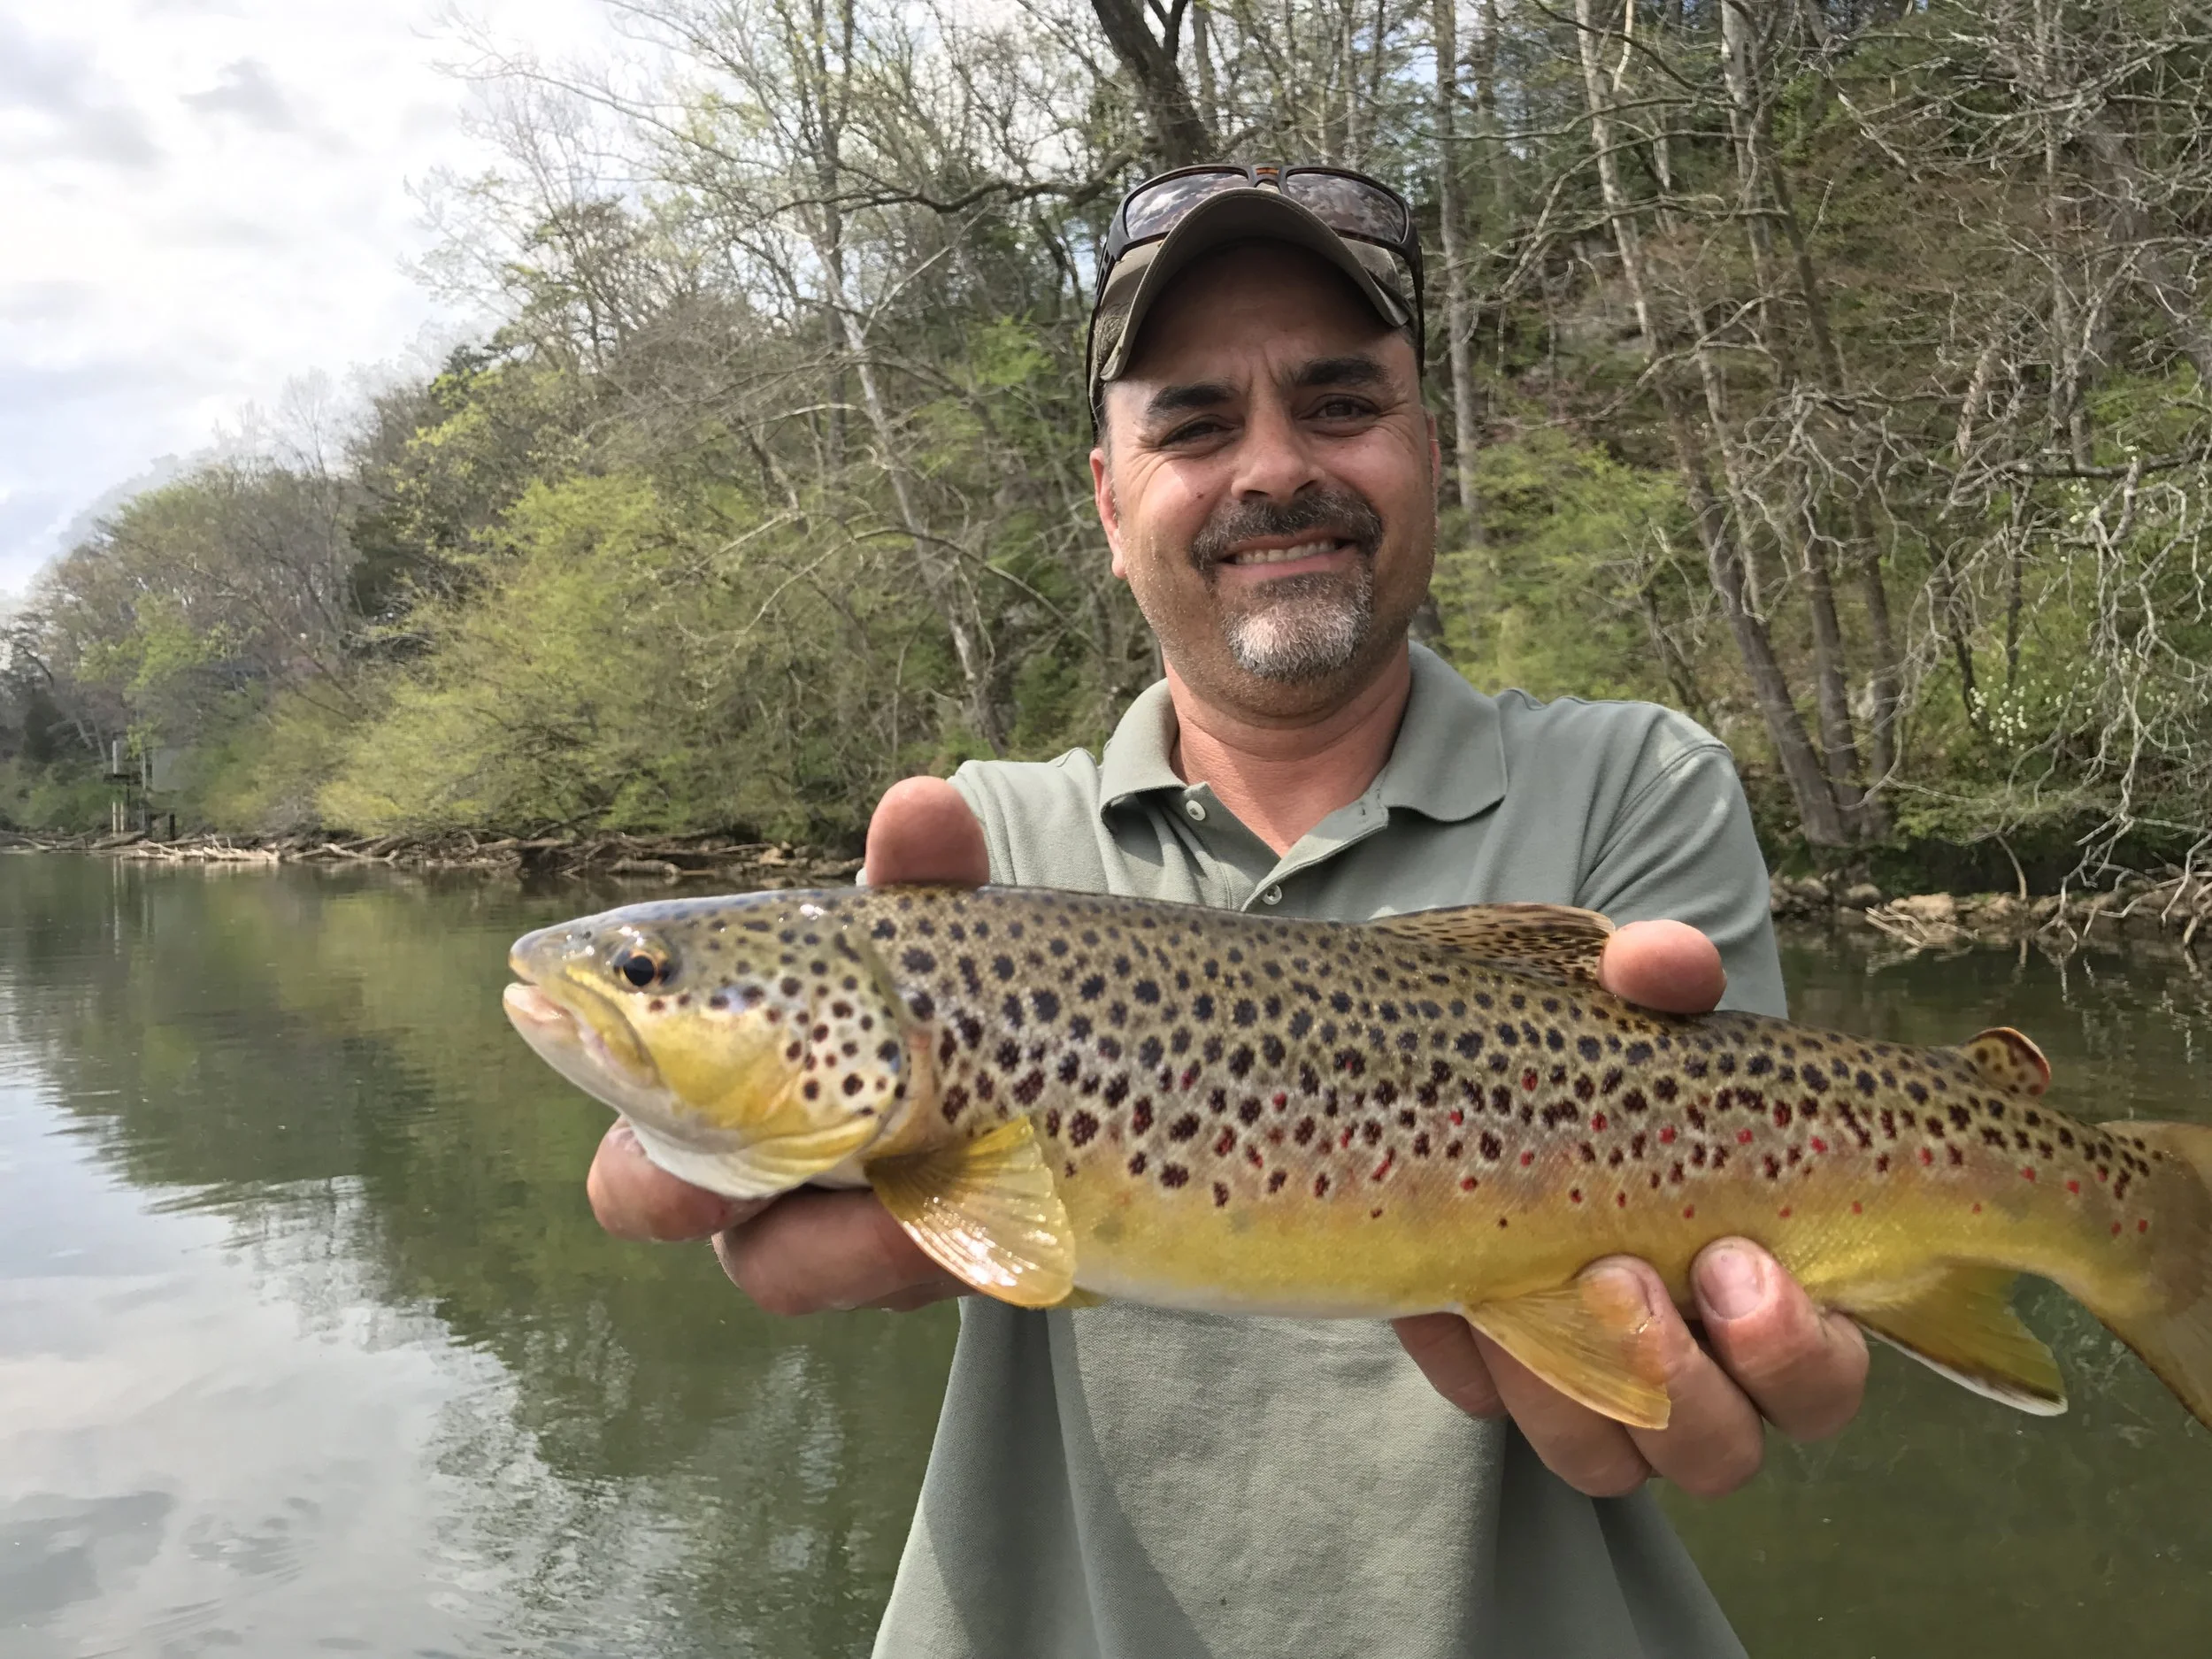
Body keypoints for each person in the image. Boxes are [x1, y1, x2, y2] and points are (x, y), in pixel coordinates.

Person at [588, 163, 1870, 1656]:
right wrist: (684, 1157)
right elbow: (669, 1177)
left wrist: (1719, 1331)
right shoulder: (985, 853)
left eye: (1338, 406)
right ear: (1109, 494)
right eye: (1193, 423)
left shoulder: (1636, 780)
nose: (1272, 468)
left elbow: (1746, 1274)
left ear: (1428, 449)